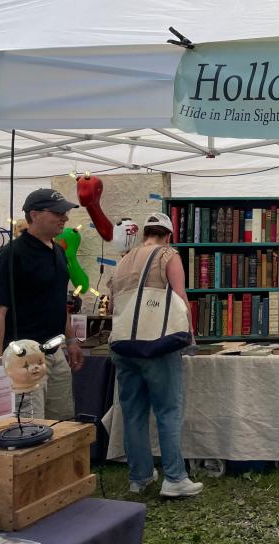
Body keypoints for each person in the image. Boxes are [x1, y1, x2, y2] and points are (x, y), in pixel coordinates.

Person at [108, 212, 203, 498]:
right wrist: (190, 335)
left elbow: (114, 302)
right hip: (156, 343)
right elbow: (179, 295)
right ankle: (174, 477)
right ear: (168, 235)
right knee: (168, 411)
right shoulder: (167, 254)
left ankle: (139, 477)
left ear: (145, 232)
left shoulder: (123, 260)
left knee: (133, 413)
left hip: (124, 345)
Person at [0, 188, 85, 420]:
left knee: (63, 423)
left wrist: (71, 339)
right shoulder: (12, 254)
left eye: (65, 213)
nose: (64, 218)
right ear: (34, 215)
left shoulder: (58, 252)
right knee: (31, 427)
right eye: (58, 212)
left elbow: (58, 301)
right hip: (23, 358)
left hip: (55, 353)